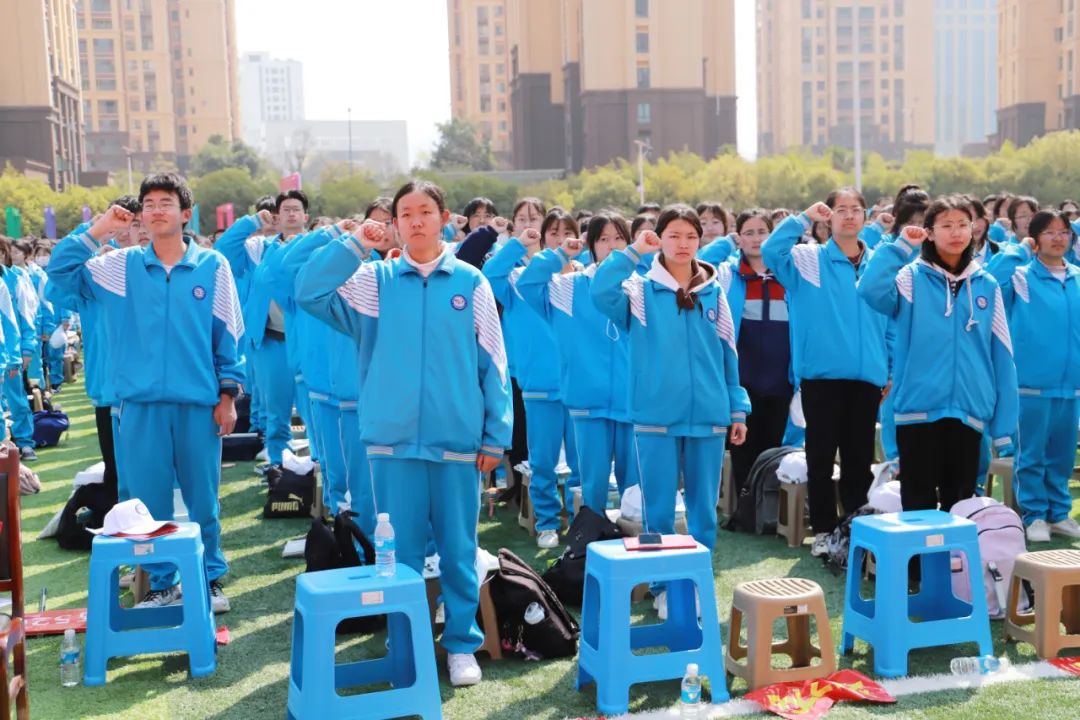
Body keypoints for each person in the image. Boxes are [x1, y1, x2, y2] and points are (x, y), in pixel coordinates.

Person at [296, 179, 511, 687]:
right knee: (398, 553)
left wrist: (494, 435)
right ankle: (406, 640)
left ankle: (461, 644)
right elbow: (308, 291)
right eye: (406, 213)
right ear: (394, 223)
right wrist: (354, 244)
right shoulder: (374, 281)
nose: (416, 220)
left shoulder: (471, 282)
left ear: (444, 219)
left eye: (425, 211)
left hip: (457, 441)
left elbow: (494, 361)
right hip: (391, 442)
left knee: (459, 551)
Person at [50, 172, 244, 614]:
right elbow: (60, 272)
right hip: (138, 406)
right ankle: (161, 584)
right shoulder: (120, 267)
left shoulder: (213, 266)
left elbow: (228, 335)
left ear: (185, 213)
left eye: (166, 203)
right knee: (148, 504)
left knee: (204, 501)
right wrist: (99, 229)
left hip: (198, 404)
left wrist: (228, 395)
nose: (156, 211)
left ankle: (209, 578)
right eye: (149, 204)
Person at [592, 204, 749, 565]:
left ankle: (698, 578)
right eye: (674, 235)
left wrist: (737, 408)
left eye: (691, 236)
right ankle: (662, 581)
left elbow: (728, 353)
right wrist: (633, 251)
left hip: (709, 415)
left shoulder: (714, 292)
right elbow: (600, 291)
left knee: (703, 512)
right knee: (658, 511)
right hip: (655, 416)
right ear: (659, 239)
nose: (683, 244)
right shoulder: (638, 291)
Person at [859, 196, 1018, 516]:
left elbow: (1002, 355)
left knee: (960, 507)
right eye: (946, 225)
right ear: (929, 232)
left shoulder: (986, 284)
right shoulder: (910, 278)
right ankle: (917, 553)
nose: (956, 232)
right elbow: (870, 290)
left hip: (969, 413)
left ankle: (954, 553)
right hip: (917, 410)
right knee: (917, 506)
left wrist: (1003, 429)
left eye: (962, 224)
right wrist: (900, 247)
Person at [762, 189, 889, 557]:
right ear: (828, 217)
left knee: (858, 461)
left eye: (856, 210)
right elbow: (771, 251)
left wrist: (889, 368)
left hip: (867, 378)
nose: (849, 216)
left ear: (865, 216)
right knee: (820, 459)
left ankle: (854, 529)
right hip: (821, 378)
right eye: (840, 210)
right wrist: (802, 218)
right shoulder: (808, 259)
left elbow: (891, 323)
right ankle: (822, 531)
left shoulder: (878, 262)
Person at [516, 211, 639, 515]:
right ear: (591, 245)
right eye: (603, 239)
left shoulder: (640, 287)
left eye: (619, 238)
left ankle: (633, 540)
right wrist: (560, 254)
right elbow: (529, 284)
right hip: (587, 404)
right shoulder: (569, 287)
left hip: (633, 403)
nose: (612, 246)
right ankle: (588, 536)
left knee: (634, 490)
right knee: (591, 486)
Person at [484, 205, 581, 549]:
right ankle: (547, 523)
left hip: (582, 387)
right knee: (543, 461)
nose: (560, 239)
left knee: (583, 464)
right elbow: (490, 274)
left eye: (567, 233)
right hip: (540, 385)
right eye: (553, 233)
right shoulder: (518, 279)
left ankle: (582, 523)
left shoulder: (586, 278)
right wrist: (517, 243)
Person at [987, 209, 1080, 542]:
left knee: (1062, 455)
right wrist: (1018, 250)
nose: (1058, 238)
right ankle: (1034, 514)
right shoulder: (1021, 276)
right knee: (1031, 454)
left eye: (1064, 232)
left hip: (1072, 386)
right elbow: (989, 281)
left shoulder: (1077, 277)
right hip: (1030, 384)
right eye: (1049, 232)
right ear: (1035, 238)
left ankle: (1059, 513)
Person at [215, 190, 310, 469]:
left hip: (308, 343)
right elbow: (224, 248)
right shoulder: (260, 248)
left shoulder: (316, 248)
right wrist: (253, 221)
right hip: (270, 341)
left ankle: (320, 469)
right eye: (285, 209)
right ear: (277, 217)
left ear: (306, 216)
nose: (291, 214)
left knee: (314, 412)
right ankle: (278, 467)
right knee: (276, 411)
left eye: (296, 209)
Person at [719, 208, 794, 498]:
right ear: (738, 238)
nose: (756, 239)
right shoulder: (728, 275)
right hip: (743, 383)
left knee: (774, 452)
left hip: (781, 380)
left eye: (762, 232)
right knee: (743, 452)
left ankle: (769, 511)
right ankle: (745, 509)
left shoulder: (788, 275)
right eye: (748, 233)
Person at [0, 239, 39, 461]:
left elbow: (22, 317)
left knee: (16, 400)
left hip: (7, 353)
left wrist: (23, 351)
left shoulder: (13, 279)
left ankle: (25, 442)